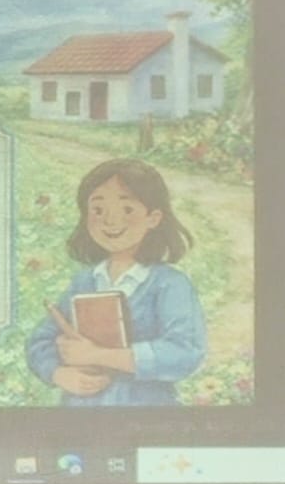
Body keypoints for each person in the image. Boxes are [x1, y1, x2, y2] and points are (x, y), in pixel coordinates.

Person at [26, 156, 206, 407]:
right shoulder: (84, 281)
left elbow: (185, 353)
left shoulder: (170, 284)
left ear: (153, 218)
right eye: (98, 210)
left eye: (127, 209)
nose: (110, 220)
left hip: (145, 411)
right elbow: (40, 341)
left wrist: (100, 355)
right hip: (79, 411)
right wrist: (59, 374)